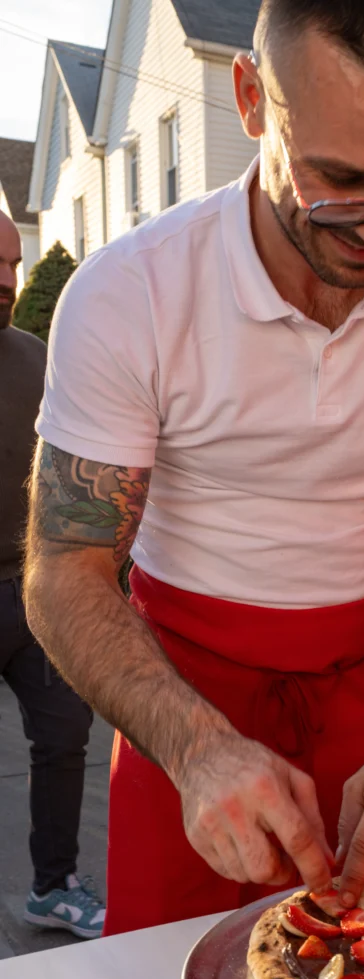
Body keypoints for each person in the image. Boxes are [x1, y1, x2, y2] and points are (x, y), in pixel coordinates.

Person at [24, 0, 364, 936]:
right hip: (182, 696)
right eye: (342, 183)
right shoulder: (129, 294)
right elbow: (64, 571)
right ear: (251, 102)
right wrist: (196, 751)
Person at [0, 209, 105, 937]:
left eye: (10, 265)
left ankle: (53, 885)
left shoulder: (35, 357)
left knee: (65, 737)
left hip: (33, 591)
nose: (4, 281)